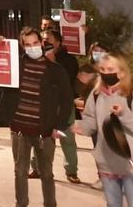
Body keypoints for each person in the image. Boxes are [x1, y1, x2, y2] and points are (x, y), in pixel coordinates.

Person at [0, 27, 72, 207]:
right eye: (28, 44)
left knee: (47, 173)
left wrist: (59, 127)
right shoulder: (15, 67)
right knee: (20, 171)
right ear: (22, 46)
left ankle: (50, 204)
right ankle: (21, 204)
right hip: (19, 130)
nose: (32, 47)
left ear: (42, 43)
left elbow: (67, 100)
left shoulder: (55, 70)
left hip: (45, 131)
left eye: (35, 43)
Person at [74, 53, 133, 207]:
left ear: (122, 72)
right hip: (107, 163)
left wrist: (124, 113)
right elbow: (91, 122)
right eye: (102, 69)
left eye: (110, 69)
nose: (106, 73)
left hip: (132, 163)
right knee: (112, 204)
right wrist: (80, 128)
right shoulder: (96, 96)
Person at [37, 28, 81, 184]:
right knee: (42, 138)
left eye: (48, 39)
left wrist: (54, 62)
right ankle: (37, 168)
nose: (45, 42)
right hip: (44, 105)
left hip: (64, 105)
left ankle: (71, 171)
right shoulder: (38, 58)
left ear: (58, 42)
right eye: (42, 39)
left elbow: (67, 82)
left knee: (67, 138)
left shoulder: (68, 60)